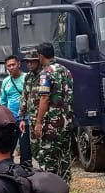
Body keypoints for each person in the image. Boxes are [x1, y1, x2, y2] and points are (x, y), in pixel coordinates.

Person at [30, 42, 75, 183]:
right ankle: (65, 185)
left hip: (52, 123)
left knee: (47, 156)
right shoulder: (66, 71)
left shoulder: (46, 73)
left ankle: (49, 186)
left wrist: (38, 122)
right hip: (67, 121)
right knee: (64, 155)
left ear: (40, 56)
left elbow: (44, 98)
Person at [0, 55, 32, 168]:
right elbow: (3, 101)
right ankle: (8, 169)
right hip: (11, 120)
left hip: (26, 119)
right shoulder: (5, 82)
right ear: (6, 68)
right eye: (9, 66)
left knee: (25, 148)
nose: (11, 67)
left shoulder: (27, 78)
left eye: (13, 64)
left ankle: (26, 169)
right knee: (8, 147)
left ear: (19, 64)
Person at [18, 50, 43, 169]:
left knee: (45, 148)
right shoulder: (28, 77)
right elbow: (24, 97)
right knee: (34, 148)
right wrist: (22, 118)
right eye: (28, 62)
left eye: (32, 62)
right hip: (32, 119)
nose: (30, 64)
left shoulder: (45, 75)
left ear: (38, 61)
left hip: (44, 118)